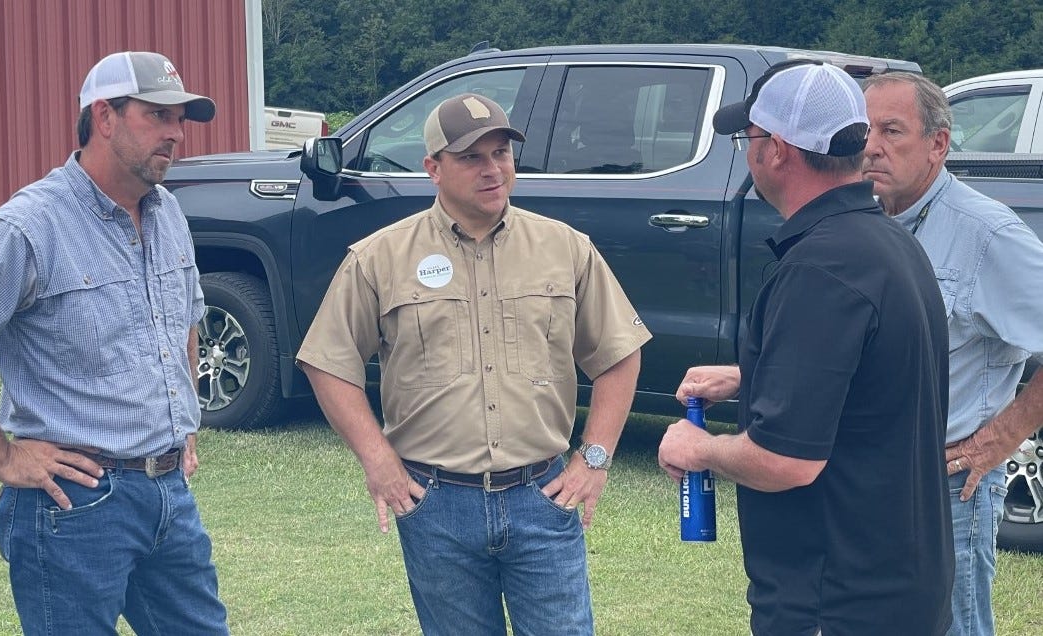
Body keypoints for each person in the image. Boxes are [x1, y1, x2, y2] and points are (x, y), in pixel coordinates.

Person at [297, 93, 650, 635]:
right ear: (432, 169)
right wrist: (378, 459)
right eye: (471, 157)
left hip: (542, 499)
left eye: (502, 153)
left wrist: (595, 458)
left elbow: (620, 353)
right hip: (436, 508)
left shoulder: (566, 248)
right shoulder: (380, 257)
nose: (493, 170)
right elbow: (328, 362)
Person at [657, 61, 954, 635]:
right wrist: (753, 375)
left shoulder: (820, 268)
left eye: (750, 138)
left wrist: (701, 448)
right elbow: (868, 379)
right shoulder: (887, 242)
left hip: (835, 601)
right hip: (898, 584)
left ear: (778, 150)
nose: (748, 153)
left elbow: (787, 462)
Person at [0, 51, 228, 634]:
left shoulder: (168, 210)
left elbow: (186, 316)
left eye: (181, 119)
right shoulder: (28, 226)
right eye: (158, 116)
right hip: (73, 508)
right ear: (105, 116)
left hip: (168, 495)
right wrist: (4, 457)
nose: (177, 134)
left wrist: (183, 421)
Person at [863, 71, 1043, 636]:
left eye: (892, 130)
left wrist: (1002, 435)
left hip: (950, 491)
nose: (872, 146)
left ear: (938, 144)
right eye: (863, 130)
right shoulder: (872, 225)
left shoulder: (986, 235)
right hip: (874, 480)